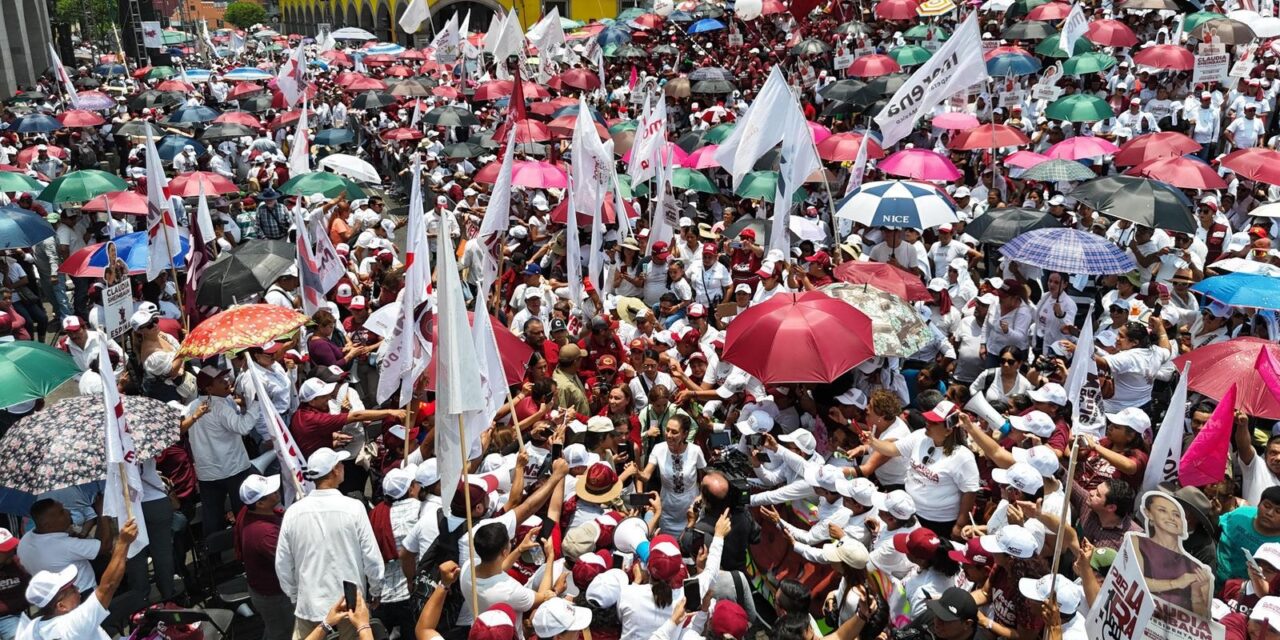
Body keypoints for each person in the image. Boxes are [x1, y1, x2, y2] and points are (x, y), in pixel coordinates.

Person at [276, 448, 385, 639]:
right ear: (335, 470)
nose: (343, 467)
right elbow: (371, 557)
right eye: (340, 464)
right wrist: (376, 590)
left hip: (310, 605)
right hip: (349, 607)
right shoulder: (354, 508)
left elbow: (283, 565)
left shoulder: (293, 513)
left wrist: (296, 596)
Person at [15, 519, 137, 640]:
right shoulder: (72, 625)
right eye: (72, 589)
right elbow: (108, 586)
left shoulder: (33, 628)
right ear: (61, 606)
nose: (78, 589)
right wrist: (123, 543)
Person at [234, 474, 294, 640]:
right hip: (274, 596)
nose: (276, 492)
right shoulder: (264, 534)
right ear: (259, 503)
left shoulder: (249, 511)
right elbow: (290, 561)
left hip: (263, 590)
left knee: (274, 629)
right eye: (271, 493)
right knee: (284, 633)